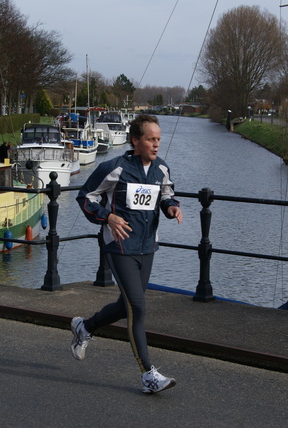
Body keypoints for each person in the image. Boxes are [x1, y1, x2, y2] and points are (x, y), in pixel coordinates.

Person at [73, 114, 183, 394]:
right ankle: (148, 374)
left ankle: (85, 327)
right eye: (151, 139)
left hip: (147, 247)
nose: (156, 145)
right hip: (119, 246)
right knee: (139, 307)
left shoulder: (162, 169)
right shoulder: (116, 168)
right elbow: (86, 196)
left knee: (127, 307)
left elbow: (166, 194)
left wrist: (171, 208)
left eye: (159, 139)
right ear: (136, 140)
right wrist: (107, 217)